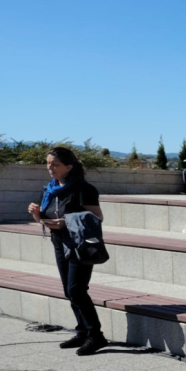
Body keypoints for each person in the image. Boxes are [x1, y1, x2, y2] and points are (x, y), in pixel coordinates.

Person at [26, 147, 108, 356]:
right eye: (48, 163)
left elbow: (98, 217)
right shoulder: (51, 190)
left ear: (69, 167)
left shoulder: (83, 189)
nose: (50, 168)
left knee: (76, 289)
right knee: (68, 290)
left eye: (55, 164)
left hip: (80, 244)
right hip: (59, 243)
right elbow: (45, 220)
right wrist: (37, 215)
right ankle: (82, 331)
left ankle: (95, 335)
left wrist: (67, 221)